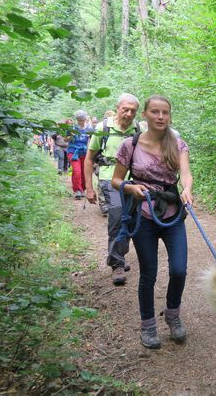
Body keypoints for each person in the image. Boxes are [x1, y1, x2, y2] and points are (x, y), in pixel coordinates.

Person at [111, 95, 193, 349]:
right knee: (149, 273)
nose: (160, 117)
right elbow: (115, 180)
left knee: (179, 269)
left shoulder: (177, 144)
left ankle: (173, 314)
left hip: (172, 213)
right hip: (143, 215)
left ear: (169, 116)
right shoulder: (130, 145)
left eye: (165, 113)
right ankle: (148, 325)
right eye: (155, 112)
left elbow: (186, 175)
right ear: (145, 115)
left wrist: (187, 189)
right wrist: (131, 188)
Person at [85, 95, 140, 285]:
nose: (129, 113)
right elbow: (89, 158)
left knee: (131, 221)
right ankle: (117, 263)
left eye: (133, 110)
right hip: (109, 178)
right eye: (125, 109)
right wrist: (89, 187)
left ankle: (117, 255)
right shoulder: (103, 128)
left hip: (132, 180)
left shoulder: (138, 129)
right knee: (117, 217)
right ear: (117, 108)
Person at [66, 110, 92, 199]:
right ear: (76, 119)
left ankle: (82, 189)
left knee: (84, 171)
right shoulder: (72, 128)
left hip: (85, 152)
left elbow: (92, 141)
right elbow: (65, 139)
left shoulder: (89, 129)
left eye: (82, 120)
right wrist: (71, 136)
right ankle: (77, 190)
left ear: (85, 119)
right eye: (79, 120)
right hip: (73, 152)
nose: (80, 122)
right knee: (77, 171)